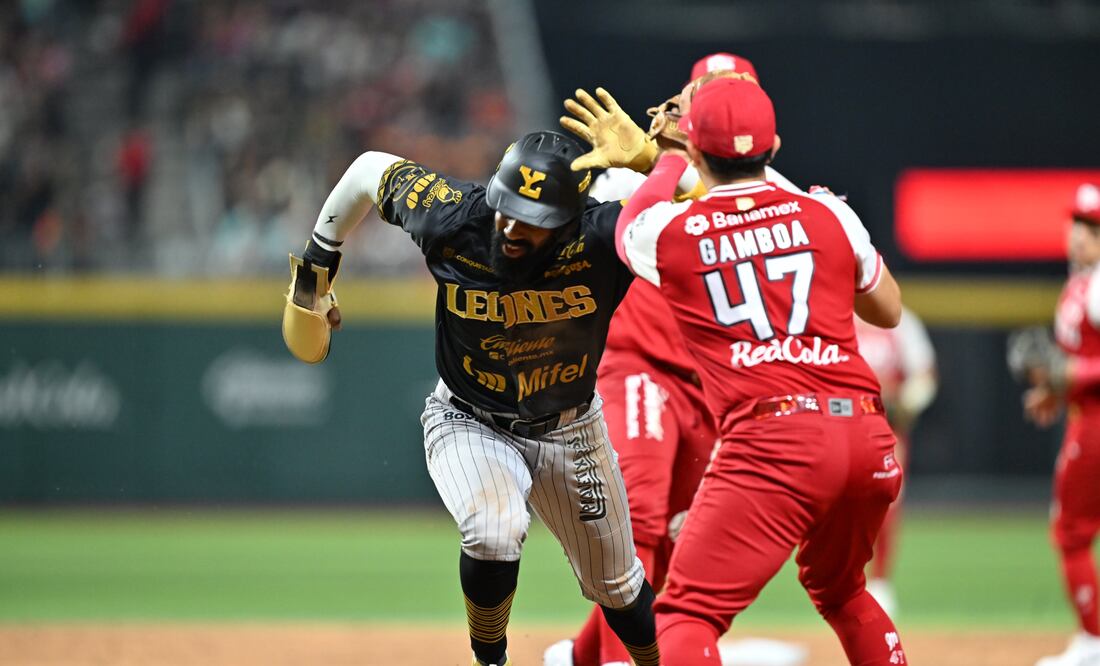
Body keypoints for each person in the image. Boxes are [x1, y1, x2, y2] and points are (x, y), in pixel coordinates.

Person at [280, 129, 661, 666]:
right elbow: (368, 170)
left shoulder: (606, 235)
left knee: (618, 588)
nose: (511, 228)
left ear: (570, 219)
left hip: (571, 431)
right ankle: (490, 661)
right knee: (494, 529)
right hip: (468, 418)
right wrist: (318, 263)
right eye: (507, 208)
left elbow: (707, 212)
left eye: (533, 220)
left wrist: (655, 161)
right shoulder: (457, 216)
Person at [612, 76, 907, 664]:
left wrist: (666, 156)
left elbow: (629, 229)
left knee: (685, 614)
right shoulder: (829, 212)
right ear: (774, 147)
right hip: (867, 436)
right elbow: (888, 309)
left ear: (697, 151)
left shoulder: (676, 232)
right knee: (844, 591)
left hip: (775, 440)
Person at [546, 53, 806, 666]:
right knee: (636, 524)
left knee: (671, 545)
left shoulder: (765, 189)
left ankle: (580, 658)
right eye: (713, 90)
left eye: (738, 90)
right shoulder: (637, 167)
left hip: (711, 387)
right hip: (639, 367)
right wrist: (648, 161)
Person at [1017, 183, 1100, 666]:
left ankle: (1093, 641)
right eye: (1078, 223)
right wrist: (1055, 390)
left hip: (1096, 425)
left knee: (1070, 530)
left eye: (1093, 227)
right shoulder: (1080, 284)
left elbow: (1081, 367)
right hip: (1084, 417)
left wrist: (1074, 375)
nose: (1080, 234)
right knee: (1071, 528)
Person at [853, 306, 938, 615]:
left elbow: (925, 375)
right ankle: (846, 581)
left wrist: (905, 402)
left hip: (887, 428)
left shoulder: (901, 320)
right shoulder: (833, 313)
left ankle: (880, 582)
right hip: (842, 426)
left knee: (887, 501)